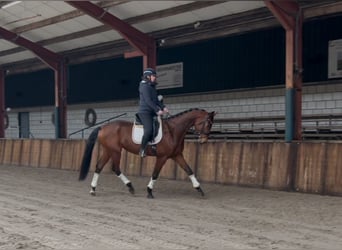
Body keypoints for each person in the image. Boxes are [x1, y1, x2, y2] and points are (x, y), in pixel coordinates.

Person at [137, 68, 169, 158]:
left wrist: (164, 107)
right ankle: (142, 150)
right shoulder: (144, 86)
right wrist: (157, 110)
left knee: (161, 126)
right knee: (149, 130)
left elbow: (156, 101)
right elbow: (148, 101)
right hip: (145, 112)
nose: (155, 78)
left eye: (155, 76)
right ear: (148, 76)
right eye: (153, 76)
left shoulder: (152, 87)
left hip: (152, 111)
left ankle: (154, 144)